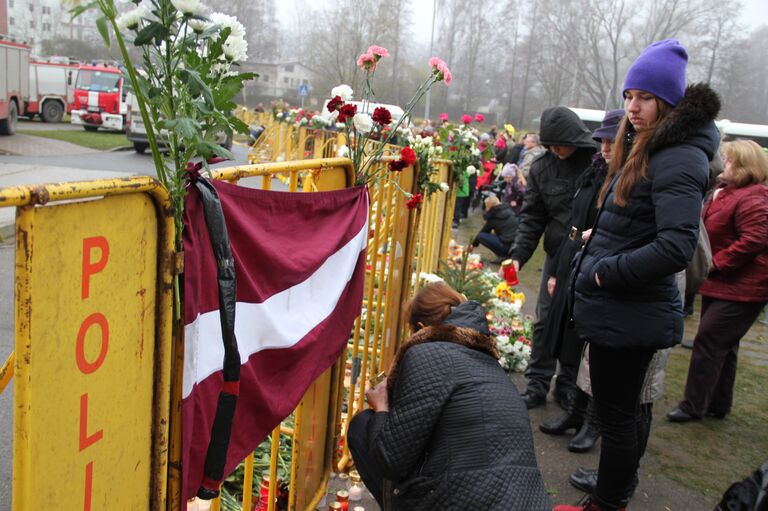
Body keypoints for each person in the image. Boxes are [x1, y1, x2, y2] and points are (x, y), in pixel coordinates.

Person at [554, 39, 721, 511]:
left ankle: (607, 504)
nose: (633, 106)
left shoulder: (679, 155)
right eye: (629, 95)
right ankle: (609, 499)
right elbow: (641, 220)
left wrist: (603, 272)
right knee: (620, 416)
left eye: (645, 97)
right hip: (623, 308)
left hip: (630, 309)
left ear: (668, 101)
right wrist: (602, 238)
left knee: (618, 420)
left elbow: (675, 246)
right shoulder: (652, 147)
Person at [346, 282, 551, 510]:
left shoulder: (425, 353)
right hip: (528, 500)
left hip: (470, 501)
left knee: (362, 427)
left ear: (420, 328)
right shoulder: (493, 367)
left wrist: (382, 407)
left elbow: (390, 460)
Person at [537, 109, 623, 448]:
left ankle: (590, 417)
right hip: (574, 257)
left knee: (592, 345)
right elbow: (571, 223)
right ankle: (575, 408)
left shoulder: (627, 178)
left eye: (613, 141)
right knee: (566, 333)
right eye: (602, 141)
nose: (605, 147)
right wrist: (558, 271)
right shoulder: (595, 171)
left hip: (601, 266)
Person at [667, 139, 768, 423]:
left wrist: (715, 263)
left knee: (709, 341)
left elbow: (755, 239)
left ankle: (693, 405)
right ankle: (717, 403)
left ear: (745, 166)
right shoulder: (726, 191)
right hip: (723, 284)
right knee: (724, 344)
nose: (723, 163)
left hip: (743, 287)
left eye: (729, 159)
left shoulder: (754, 196)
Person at [508, 106, 596, 410]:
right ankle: (537, 384)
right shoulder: (543, 168)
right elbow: (532, 217)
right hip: (556, 253)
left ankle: (568, 385)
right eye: (550, 146)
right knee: (545, 321)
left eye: (560, 145)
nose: (556, 151)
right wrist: (518, 255)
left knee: (575, 322)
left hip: (588, 256)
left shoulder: (595, 163)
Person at [470, 195, 519, 262]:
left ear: (489, 206)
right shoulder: (509, 211)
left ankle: (503, 255)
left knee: (481, 236)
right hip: (515, 246)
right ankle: (507, 255)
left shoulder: (493, 216)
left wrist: (472, 245)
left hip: (506, 245)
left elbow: (483, 231)